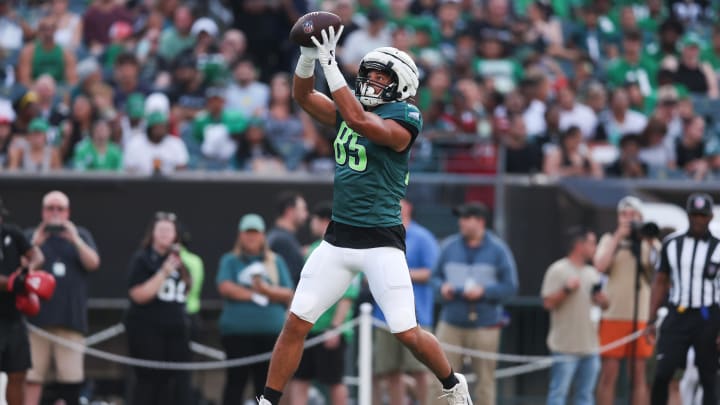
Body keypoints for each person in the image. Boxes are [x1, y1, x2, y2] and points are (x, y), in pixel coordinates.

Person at [259, 27, 473, 405]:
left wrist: (330, 62)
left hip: (380, 240)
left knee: (406, 332)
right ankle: (267, 401)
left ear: (400, 83)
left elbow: (360, 121)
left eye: (381, 76)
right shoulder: (352, 107)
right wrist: (309, 57)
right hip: (337, 238)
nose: (371, 81)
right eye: (368, 74)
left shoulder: (406, 116)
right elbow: (303, 95)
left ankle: (454, 383)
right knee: (295, 323)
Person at [431, 201, 519, 405]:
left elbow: (510, 287)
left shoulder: (498, 250)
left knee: (485, 384)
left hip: (486, 325)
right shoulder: (448, 246)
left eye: (466, 218)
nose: (461, 222)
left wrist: (485, 292)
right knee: (440, 381)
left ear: (480, 222)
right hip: (451, 322)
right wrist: (442, 287)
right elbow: (434, 278)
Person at [25, 191, 100, 405]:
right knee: (32, 377)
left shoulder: (81, 235)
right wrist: (36, 243)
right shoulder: (32, 235)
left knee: (70, 381)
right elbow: (21, 268)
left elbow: (93, 263)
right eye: (51, 208)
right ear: (43, 211)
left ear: (68, 212)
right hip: (36, 322)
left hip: (70, 321)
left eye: (60, 209)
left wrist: (75, 240)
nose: (55, 213)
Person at [646, 193, 720, 405]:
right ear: (688, 216)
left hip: (708, 316)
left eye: (702, 215)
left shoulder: (718, 246)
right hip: (677, 314)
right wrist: (651, 318)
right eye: (694, 215)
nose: (698, 220)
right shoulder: (671, 244)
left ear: (710, 217)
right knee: (662, 373)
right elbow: (660, 281)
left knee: (709, 377)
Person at [218, 214, 294, 404]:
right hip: (237, 335)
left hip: (270, 335)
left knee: (265, 386)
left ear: (262, 235)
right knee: (236, 383)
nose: (251, 237)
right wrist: (256, 293)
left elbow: (288, 292)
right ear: (240, 235)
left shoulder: (275, 261)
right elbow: (225, 287)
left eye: (255, 233)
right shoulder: (230, 260)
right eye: (247, 233)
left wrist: (265, 290)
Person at [289, 202, 358, 405]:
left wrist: (335, 328)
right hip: (307, 327)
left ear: (325, 222)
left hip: (329, 329)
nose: (311, 222)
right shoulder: (311, 250)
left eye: (315, 219)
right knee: (300, 379)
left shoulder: (347, 250)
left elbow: (348, 294)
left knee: (334, 381)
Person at [594, 196, 660, 405]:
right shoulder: (609, 240)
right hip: (614, 314)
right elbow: (600, 266)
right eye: (624, 214)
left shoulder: (649, 242)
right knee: (609, 374)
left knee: (639, 376)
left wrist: (649, 240)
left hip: (641, 317)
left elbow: (661, 269)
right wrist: (617, 238)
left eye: (633, 215)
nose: (629, 219)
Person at [373, 198, 439, 405]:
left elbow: (433, 272)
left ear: (409, 206)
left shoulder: (423, 237)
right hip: (382, 316)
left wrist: (399, 274)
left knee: (420, 370)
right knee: (390, 371)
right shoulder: (379, 234)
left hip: (416, 315)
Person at [125, 212, 192, 405]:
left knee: (175, 385)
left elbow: (186, 292)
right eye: (160, 229)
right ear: (152, 233)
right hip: (147, 332)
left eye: (169, 230)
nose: (164, 234)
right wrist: (163, 273)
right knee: (148, 383)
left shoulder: (181, 262)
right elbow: (138, 295)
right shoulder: (142, 259)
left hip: (176, 333)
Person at [542, 227, 609, 405]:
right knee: (558, 394)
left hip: (590, 347)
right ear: (579, 245)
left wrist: (602, 300)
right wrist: (565, 290)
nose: (595, 247)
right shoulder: (558, 269)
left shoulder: (593, 273)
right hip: (565, 347)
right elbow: (547, 303)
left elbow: (605, 305)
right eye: (592, 243)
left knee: (586, 396)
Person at [0, 197, 43, 405]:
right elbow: (9, 283)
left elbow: (37, 255)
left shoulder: (12, 233)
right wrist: (14, 282)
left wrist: (30, 270)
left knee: (18, 374)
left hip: (14, 316)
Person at [266, 192, 308, 285]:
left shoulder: (279, 237)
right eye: (303, 209)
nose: (306, 215)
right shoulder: (282, 240)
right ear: (289, 211)